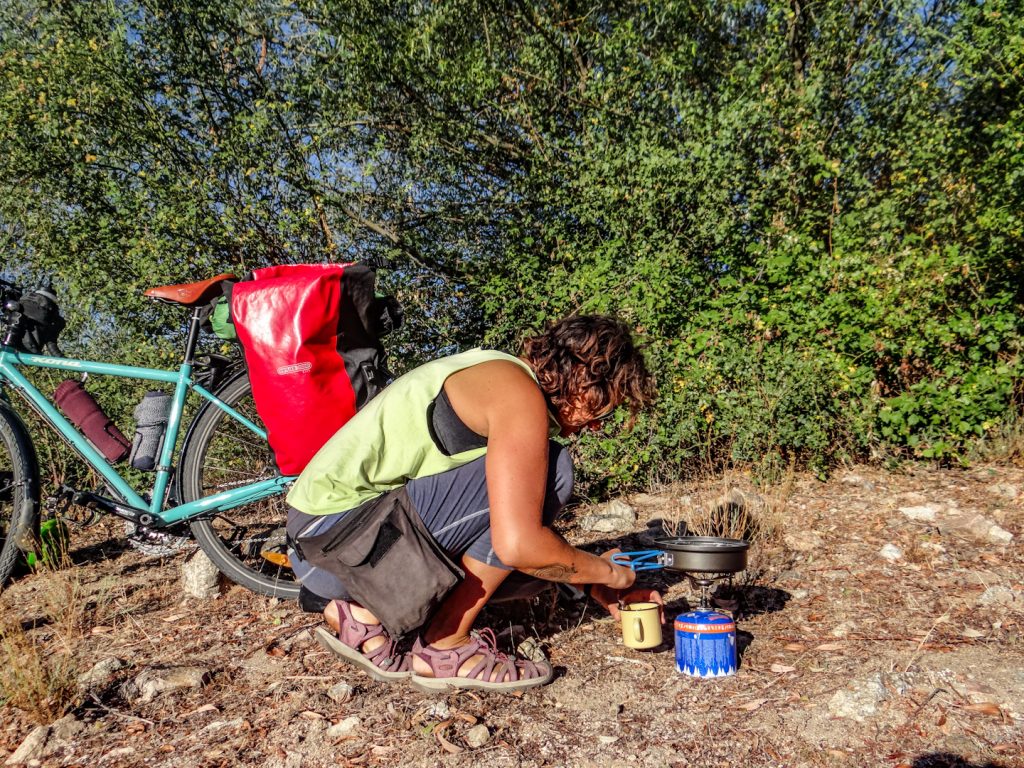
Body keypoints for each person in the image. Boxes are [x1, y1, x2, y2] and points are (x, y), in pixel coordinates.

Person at [285, 315, 659, 692]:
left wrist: (590, 585)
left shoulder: (495, 373)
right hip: (338, 545)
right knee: (555, 471)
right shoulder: (517, 394)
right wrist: (612, 574)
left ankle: (364, 613)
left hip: (324, 547)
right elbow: (517, 546)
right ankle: (444, 644)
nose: (596, 427)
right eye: (603, 411)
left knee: (530, 507)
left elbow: (494, 539)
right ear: (584, 379)